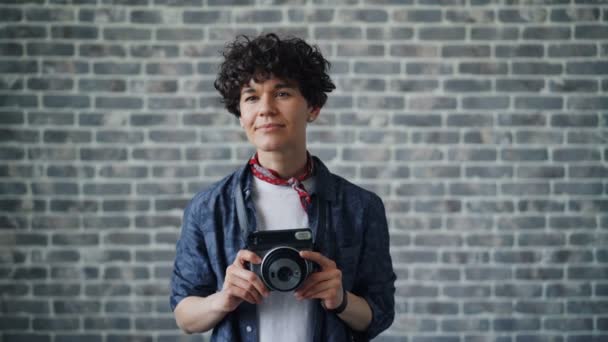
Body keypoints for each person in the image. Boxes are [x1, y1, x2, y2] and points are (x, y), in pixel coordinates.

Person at [170, 33, 396, 342]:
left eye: (283, 93)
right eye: (251, 97)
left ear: (313, 107)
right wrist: (223, 299)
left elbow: (379, 312)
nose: (265, 109)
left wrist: (341, 299)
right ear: (240, 115)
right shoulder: (208, 208)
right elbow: (185, 315)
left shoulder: (360, 207)